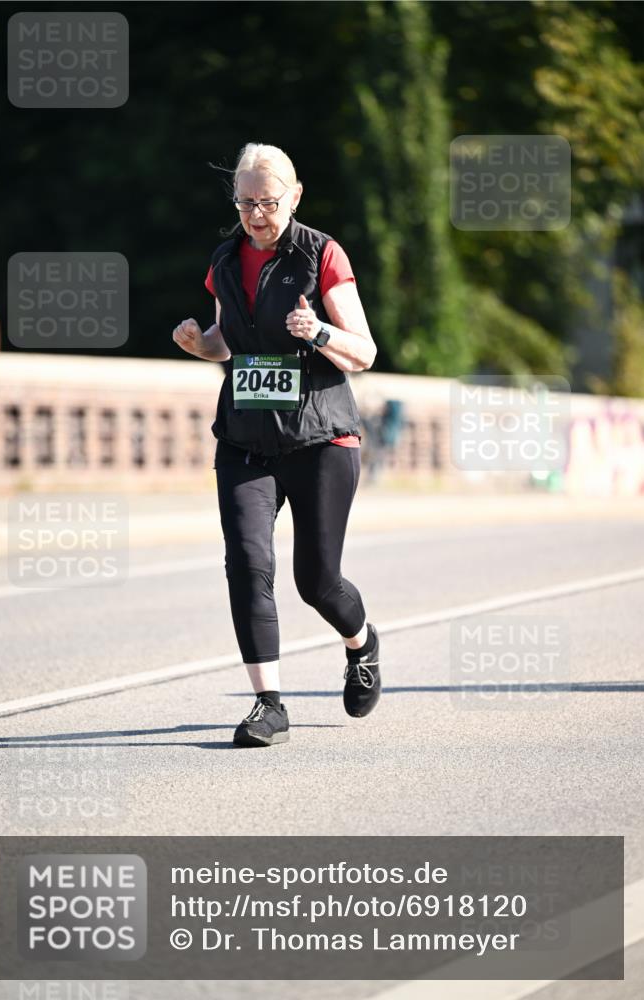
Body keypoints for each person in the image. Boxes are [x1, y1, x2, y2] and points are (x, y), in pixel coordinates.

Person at [172, 142, 381, 747]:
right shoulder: (223, 259)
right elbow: (226, 341)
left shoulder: (322, 255)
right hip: (245, 439)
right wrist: (198, 343)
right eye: (245, 202)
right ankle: (268, 703)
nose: (256, 214)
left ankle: (361, 643)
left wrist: (316, 330)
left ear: (294, 196)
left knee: (317, 582)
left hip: (320, 439)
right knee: (246, 564)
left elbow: (364, 352)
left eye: (267, 201)